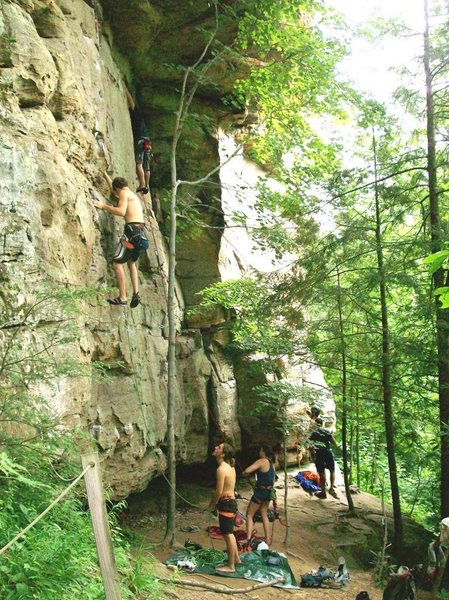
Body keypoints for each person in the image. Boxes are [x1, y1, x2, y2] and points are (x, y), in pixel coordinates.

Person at [94, 173, 148, 308]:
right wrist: (106, 176)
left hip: (131, 233)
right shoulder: (130, 193)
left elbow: (121, 211)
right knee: (131, 264)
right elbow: (115, 189)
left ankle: (123, 297)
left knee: (117, 263)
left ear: (118, 188)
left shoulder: (123, 193)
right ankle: (136, 293)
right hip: (140, 233)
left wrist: (103, 206)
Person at [209, 443, 240, 573]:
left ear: (222, 454)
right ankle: (236, 559)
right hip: (230, 502)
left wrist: (212, 504)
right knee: (229, 533)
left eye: (219, 448)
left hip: (226, 503)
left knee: (228, 534)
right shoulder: (230, 467)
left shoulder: (221, 469)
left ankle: (231, 566)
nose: (215, 447)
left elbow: (219, 491)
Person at [242, 445, 276, 546]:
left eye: (260, 450)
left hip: (260, 493)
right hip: (268, 493)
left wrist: (244, 473)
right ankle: (268, 539)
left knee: (249, 514)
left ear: (263, 451)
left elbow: (248, 470)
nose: (259, 452)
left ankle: (248, 539)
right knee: (264, 514)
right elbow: (273, 480)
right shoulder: (271, 463)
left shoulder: (262, 461)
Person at [125, 86, 152, 195]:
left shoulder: (137, 115)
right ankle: (147, 185)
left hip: (141, 141)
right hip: (148, 142)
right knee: (147, 166)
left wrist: (125, 89)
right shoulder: (143, 123)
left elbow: (131, 102)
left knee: (139, 163)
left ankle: (141, 184)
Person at [308, 417, 336, 499]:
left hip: (319, 453)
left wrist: (312, 456)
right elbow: (334, 442)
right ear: (322, 424)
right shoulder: (326, 432)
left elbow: (310, 446)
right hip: (328, 452)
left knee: (321, 472)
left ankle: (323, 492)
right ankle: (331, 488)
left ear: (315, 424)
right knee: (332, 470)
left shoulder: (313, 433)